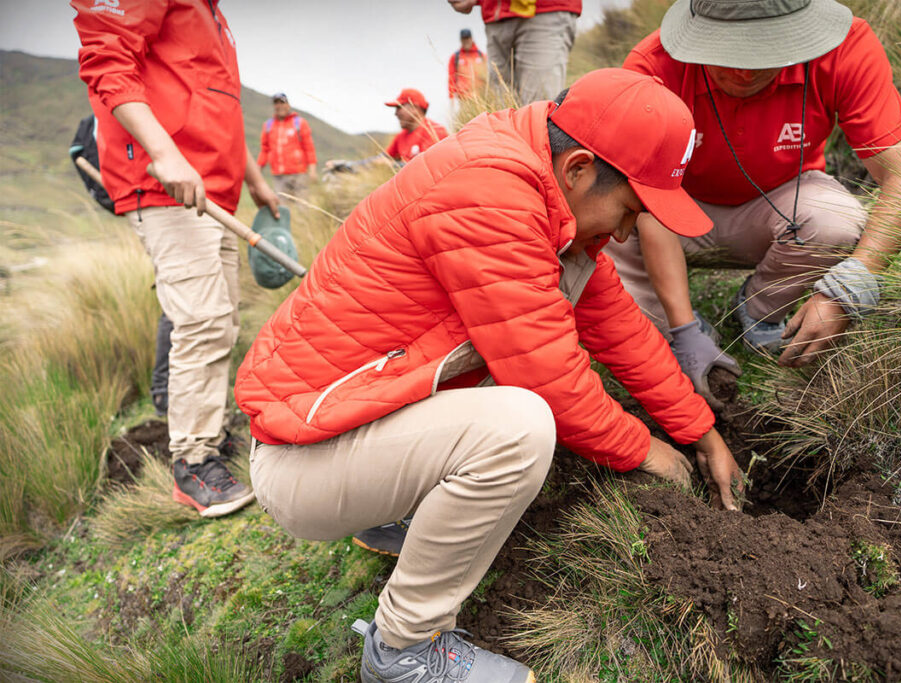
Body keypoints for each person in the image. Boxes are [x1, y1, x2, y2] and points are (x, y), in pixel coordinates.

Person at [235, 68, 743, 682]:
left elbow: (617, 325)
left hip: (348, 423)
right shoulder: (489, 195)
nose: (626, 232)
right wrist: (649, 452)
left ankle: (394, 516)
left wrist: (701, 433)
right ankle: (404, 650)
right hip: (301, 460)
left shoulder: (540, 190)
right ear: (579, 168)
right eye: (630, 210)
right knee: (520, 427)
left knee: (520, 383)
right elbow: (551, 379)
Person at [606, 0, 901, 399]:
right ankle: (677, 325)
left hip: (778, 203)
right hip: (670, 211)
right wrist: (682, 325)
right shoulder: (653, 66)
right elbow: (644, 198)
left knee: (836, 221)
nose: (744, 71)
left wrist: (851, 287)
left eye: (765, 52)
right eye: (726, 52)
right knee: (605, 263)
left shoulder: (846, 48)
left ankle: (758, 309)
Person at [73, 0, 280, 518]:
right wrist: (164, 154)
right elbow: (107, 61)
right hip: (165, 185)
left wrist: (254, 179)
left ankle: (212, 434)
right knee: (202, 321)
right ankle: (193, 464)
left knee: (222, 321)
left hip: (215, 189)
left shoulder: (210, 13)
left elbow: (213, 104)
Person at [448, 0, 581, 104]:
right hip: (495, 17)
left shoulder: (479, 55)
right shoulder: (456, 57)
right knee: (502, 113)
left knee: (539, 111)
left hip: (544, 11)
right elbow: (451, 77)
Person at [257, 92, 318, 195]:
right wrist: (258, 169)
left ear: (288, 105)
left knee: (302, 204)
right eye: (276, 103)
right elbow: (265, 150)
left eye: (282, 103)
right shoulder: (268, 126)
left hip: (299, 174)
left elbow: (309, 148)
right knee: (281, 204)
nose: (279, 106)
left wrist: (312, 170)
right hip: (279, 176)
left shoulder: (299, 123)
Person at [383, 88, 449, 163]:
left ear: (414, 108)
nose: (396, 113)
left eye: (399, 107)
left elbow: (427, 165)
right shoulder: (401, 136)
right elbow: (384, 157)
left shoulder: (435, 131)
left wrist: (391, 165)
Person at [448, 28, 487, 104]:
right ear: (461, 40)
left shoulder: (481, 55)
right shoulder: (455, 57)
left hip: (480, 97)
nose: (466, 41)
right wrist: (451, 97)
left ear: (471, 38)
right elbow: (451, 78)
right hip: (464, 99)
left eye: (467, 38)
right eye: (464, 39)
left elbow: (487, 75)